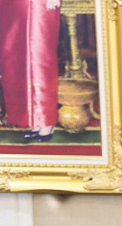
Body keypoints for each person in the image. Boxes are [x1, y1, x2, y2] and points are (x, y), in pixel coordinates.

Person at [0, 0, 61, 143]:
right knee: (14, 57)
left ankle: (47, 121)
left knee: (40, 57)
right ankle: (33, 120)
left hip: (38, 4)